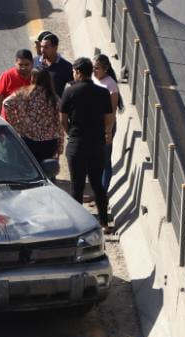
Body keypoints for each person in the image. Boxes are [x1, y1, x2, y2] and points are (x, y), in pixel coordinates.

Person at [59, 57, 115, 228]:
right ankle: (104, 223)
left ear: (77, 72)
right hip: (97, 144)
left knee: (77, 186)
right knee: (97, 184)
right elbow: (108, 118)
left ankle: (78, 225)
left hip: (76, 144)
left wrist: (71, 133)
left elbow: (63, 119)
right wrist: (101, 133)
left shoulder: (69, 92)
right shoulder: (103, 92)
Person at [1, 69, 61, 162]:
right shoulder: (53, 97)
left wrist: (16, 124)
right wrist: (60, 145)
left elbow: (6, 103)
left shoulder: (23, 93)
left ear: (33, 78)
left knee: (30, 172)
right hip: (49, 141)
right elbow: (58, 122)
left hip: (28, 138)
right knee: (48, 171)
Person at [92, 54, 121, 190]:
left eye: (97, 68)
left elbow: (112, 112)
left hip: (105, 128)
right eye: (93, 68)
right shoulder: (93, 79)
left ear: (106, 69)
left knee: (104, 162)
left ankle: (102, 193)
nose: (94, 71)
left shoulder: (111, 86)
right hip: (93, 126)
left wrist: (108, 131)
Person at [0, 49, 34, 115]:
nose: (23, 68)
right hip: (9, 122)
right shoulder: (7, 76)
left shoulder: (37, 77)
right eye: (20, 65)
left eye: (26, 65)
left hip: (30, 122)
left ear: (32, 63)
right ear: (15, 63)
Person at [35, 31, 74, 99]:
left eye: (46, 47)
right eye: (42, 47)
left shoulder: (66, 67)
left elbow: (72, 90)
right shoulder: (35, 62)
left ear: (55, 48)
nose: (42, 50)